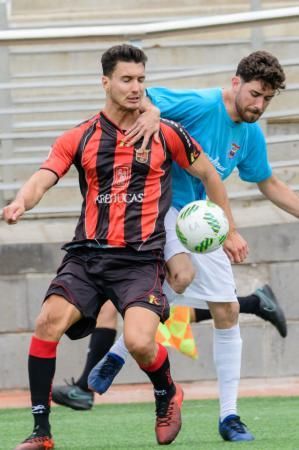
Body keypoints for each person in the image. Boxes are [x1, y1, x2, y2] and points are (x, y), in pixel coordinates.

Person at [3, 44, 242, 450]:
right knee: (47, 323)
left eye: (141, 80)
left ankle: (167, 392)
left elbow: (209, 173)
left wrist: (229, 228)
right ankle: (41, 433)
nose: (135, 88)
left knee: (138, 341)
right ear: (106, 82)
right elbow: (46, 174)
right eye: (127, 80)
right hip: (88, 255)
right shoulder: (80, 136)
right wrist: (22, 201)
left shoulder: (166, 132)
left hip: (141, 259)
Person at [87, 51, 297, 443]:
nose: (258, 104)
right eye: (254, 94)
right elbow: (145, 96)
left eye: (267, 99)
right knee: (180, 276)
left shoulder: (250, 134)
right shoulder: (201, 104)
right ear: (235, 83)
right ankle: (115, 354)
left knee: (227, 310)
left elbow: (269, 183)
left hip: (203, 221)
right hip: (163, 208)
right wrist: (150, 112)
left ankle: (229, 416)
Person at [52, 283, 286, 410]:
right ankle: (255, 303)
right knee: (158, 310)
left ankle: (85, 388)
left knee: (151, 307)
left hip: (159, 230)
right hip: (147, 231)